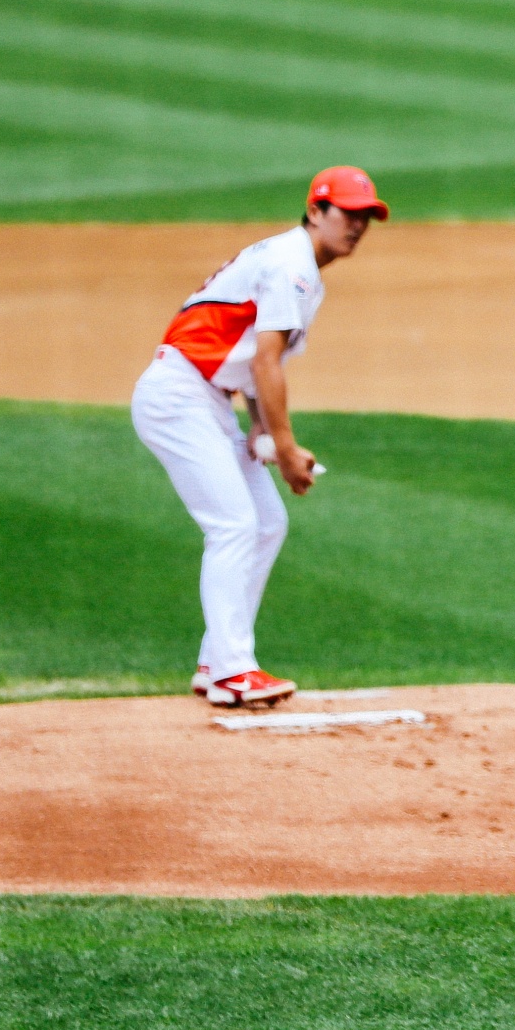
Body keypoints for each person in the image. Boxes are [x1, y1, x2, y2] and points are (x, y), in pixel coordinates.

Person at [129, 167, 382, 708]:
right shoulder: (292, 265)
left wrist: (262, 430)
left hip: (207, 399)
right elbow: (266, 363)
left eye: (366, 216)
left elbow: (250, 364)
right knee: (234, 524)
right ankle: (232, 672)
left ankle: (214, 661)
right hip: (178, 396)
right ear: (315, 211)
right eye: (347, 213)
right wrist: (285, 449)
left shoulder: (301, 268)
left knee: (267, 523)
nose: (358, 225)